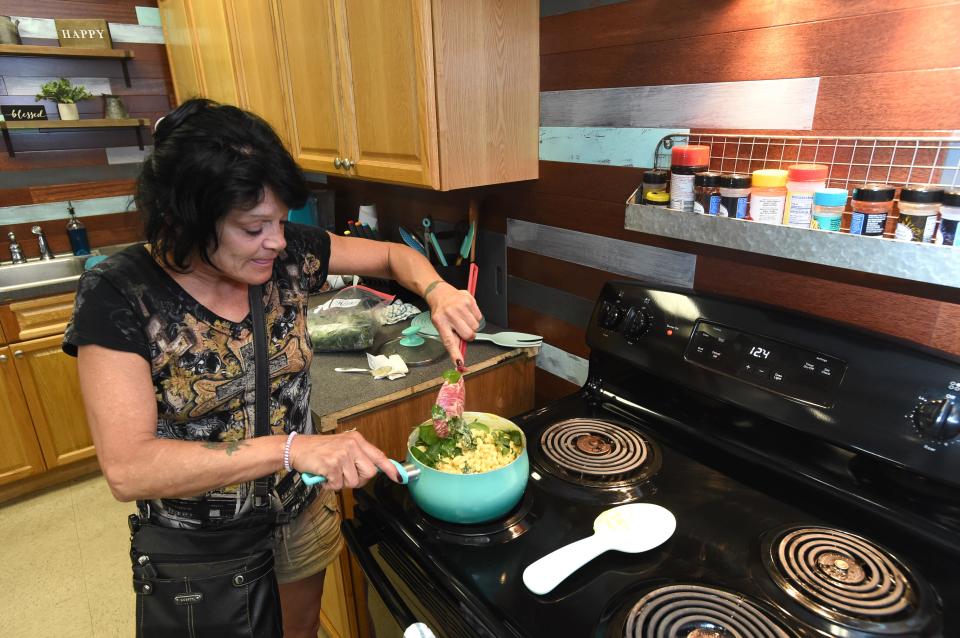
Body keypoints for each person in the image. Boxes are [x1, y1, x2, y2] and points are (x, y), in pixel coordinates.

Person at [63, 98, 482, 638]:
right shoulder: (120, 293)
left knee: (299, 630)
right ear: (185, 216)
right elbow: (128, 468)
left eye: (282, 221)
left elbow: (389, 258)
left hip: (298, 511)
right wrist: (292, 448)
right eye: (254, 227)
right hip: (203, 543)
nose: (278, 241)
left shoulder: (288, 256)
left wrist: (438, 290)